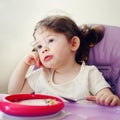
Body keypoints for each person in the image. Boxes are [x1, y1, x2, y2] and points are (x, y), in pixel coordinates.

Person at [8, 15, 120, 106]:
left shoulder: (89, 74)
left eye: (51, 40)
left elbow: (106, 95)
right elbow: (14, 93)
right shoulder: (41, 76)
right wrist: (24, 63)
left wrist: (107, 98)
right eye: (39, 46)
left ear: (73, 43)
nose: (44, 49)